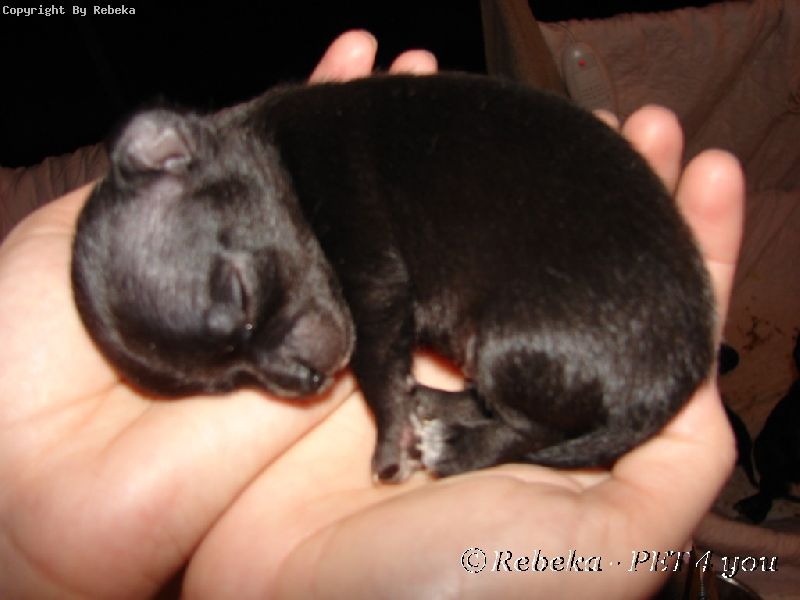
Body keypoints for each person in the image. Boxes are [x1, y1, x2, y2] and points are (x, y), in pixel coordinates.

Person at [0, 30, 743, 598]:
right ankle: (512, 426)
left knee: (520, 351)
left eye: (244, 301)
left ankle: (514, 432)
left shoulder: (317, 139)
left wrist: (390, 408)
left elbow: (375, 281)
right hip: (617, 296)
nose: (288, 373)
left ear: (177, 156)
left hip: (594, 293)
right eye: (236, 378)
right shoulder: (280, 167)